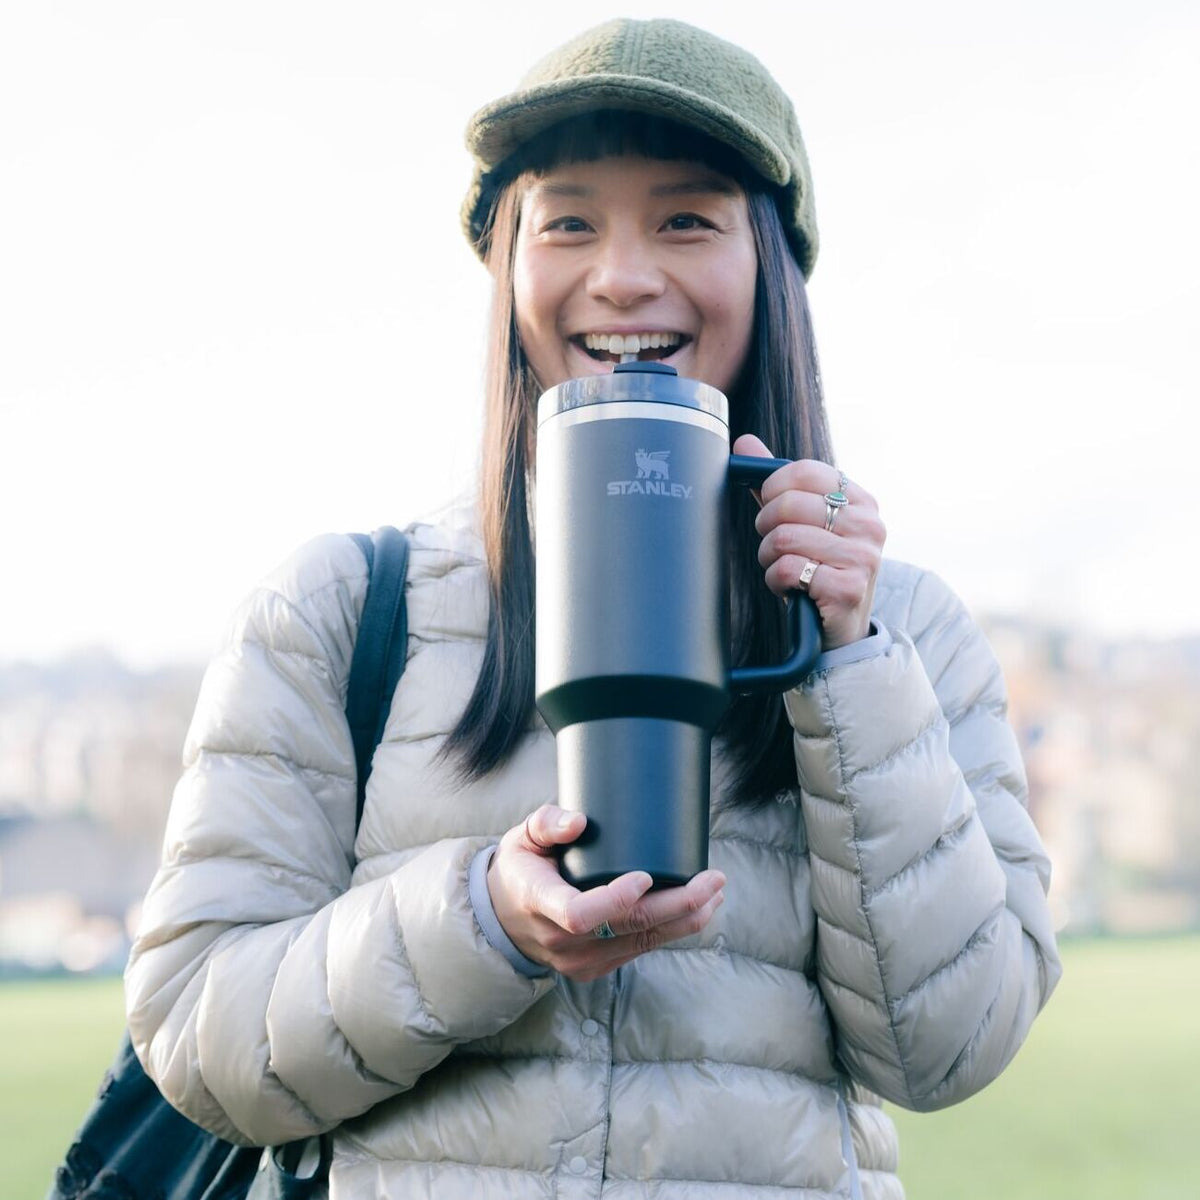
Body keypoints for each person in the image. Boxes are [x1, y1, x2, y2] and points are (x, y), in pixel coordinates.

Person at [125, 18, 1061, 1199]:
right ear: (508, 269)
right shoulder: (342, 611)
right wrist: (481, 924)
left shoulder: (904, 633)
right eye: (567, 221)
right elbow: (197, 1036)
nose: (621, 275)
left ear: (769, 268)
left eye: (685, 218)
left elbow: (953, 1047)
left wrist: (849, 661)